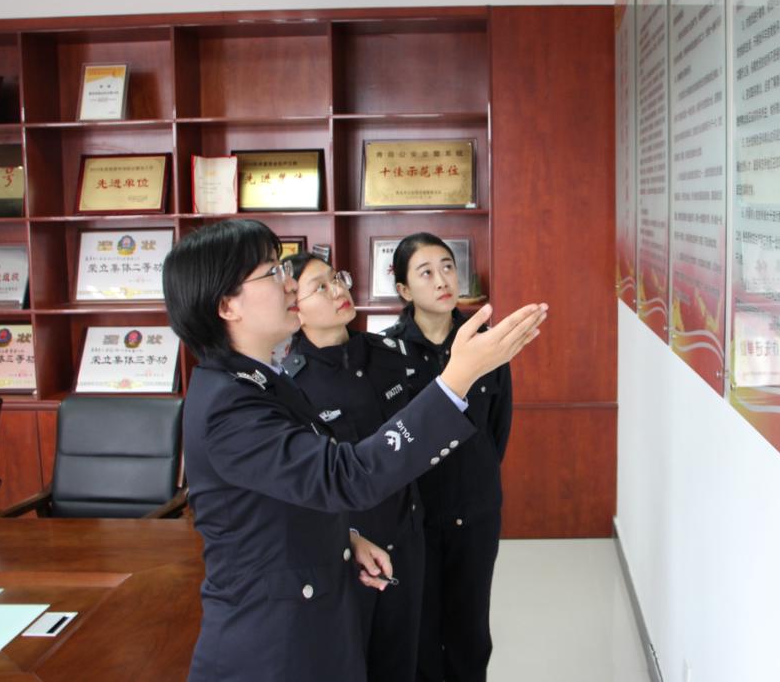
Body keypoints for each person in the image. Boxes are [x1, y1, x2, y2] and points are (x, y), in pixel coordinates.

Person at [161, 219, 546, 681]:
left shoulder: (262, 382)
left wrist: (343, 539)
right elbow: (346, 475)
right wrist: (456, 380)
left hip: (314, 613)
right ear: (227, 305)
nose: (289, 284)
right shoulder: (229, 406)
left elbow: (286, 493)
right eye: (273, 273)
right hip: (272, 644)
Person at [281, 252, 424, 682]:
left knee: (402, 658)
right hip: (348, 547)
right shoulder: (292, 386)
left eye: (337, 278)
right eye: (320, 287)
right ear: (294, 308)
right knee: (351, 661)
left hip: (407, 531)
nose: (339, 290)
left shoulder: (389, 354)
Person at [384, 233, 513, 682]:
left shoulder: (487, 345)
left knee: (470, 628)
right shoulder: (386, 353)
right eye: (426, 272)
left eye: (447, 267)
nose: (442, 280)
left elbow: (497, 429)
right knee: (420, 628)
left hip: (475, 511)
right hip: (414, 518)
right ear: (404, 290)